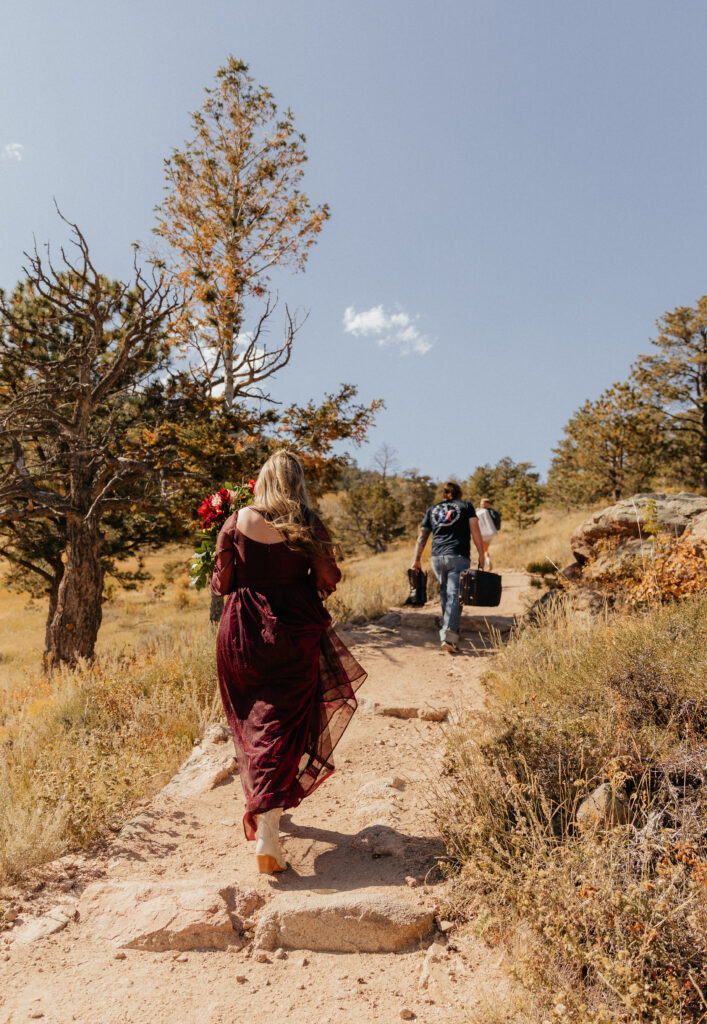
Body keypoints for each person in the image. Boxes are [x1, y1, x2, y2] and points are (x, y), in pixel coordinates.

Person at [211, 450, 366, 874]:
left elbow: (222, 582)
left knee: (255, 720)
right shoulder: (307, 523)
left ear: (261, 480)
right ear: (297, 483)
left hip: (242, 630)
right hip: (293, 629)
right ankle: (268, 828)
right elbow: (328, 577)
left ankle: (267, 818)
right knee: (284, 720)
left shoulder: (235, 520)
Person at [411, 481, 485, 654]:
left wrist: (416, 559)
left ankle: (449, 632)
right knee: (455, 596)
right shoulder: (466, 506)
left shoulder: (433, 509)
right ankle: (449, 637)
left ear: (444, 495)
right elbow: (475, 530)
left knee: (446, 594)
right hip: (458, 556)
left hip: (436, 558)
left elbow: (422, 536)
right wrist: (481, 554)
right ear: (460, 494)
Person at [476, 497, 501, 571]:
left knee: (482, 550)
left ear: (487, 504)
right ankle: (488, 563)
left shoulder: (481, 512)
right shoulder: (493, 512)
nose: (481, 505)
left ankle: (483, 565)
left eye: (482, 503)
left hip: (482, 533)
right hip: (491, 533)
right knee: (485, 549)